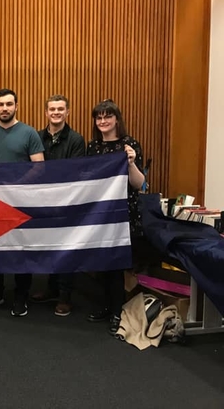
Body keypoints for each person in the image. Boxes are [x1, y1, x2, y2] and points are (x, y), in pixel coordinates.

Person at [0, 89, 45, 316]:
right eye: (0, 104)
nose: (4, 108)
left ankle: (20, 296)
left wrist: (16, 186)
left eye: (8, 104)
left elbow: (40, 166)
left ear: (16, 105)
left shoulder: (29, 133)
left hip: (22, 202)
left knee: (20, 249)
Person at [85, 99, 145, 336]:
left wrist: (130, 163)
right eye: (99, 117)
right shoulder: (92, 148)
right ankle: (105, 306)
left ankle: (118, 312)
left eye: (107, 117)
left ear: (117, 119)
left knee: (117, 264)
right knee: (101, 263)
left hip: (123, 213)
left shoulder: (129, 145)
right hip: (100, 213)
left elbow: (139, 184)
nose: (103, 121)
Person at [30, 95, 86, 316]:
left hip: (66, 201)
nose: (56, 112)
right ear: (46, 113)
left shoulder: (76, 139)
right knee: (49, 246)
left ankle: (65, 296)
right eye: (52, 109)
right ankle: (51, 289)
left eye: (60, 109)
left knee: (66, 248)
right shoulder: (36, 137)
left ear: (67, 112)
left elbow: (75, 171)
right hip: (42, 200)